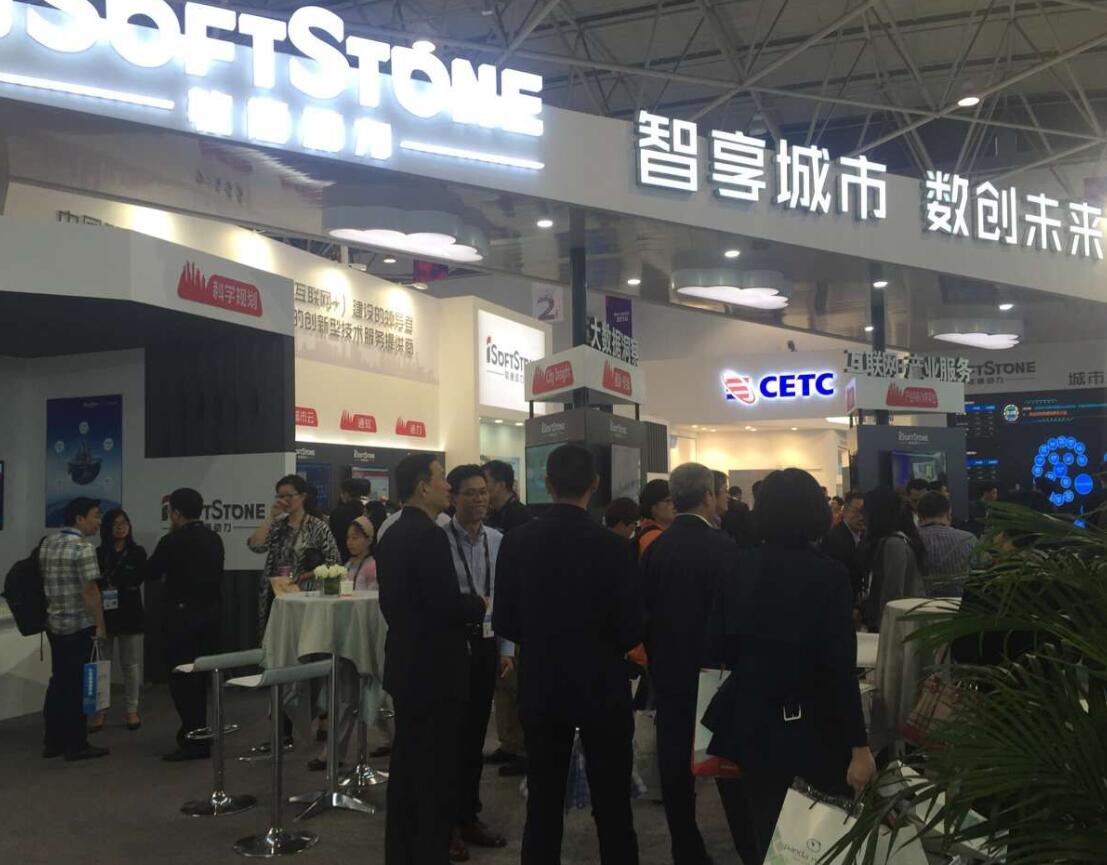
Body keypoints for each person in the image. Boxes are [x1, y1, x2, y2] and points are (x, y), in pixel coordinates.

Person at [705, 469, 876, 865]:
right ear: (815, 511)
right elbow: (838, 667)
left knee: (766, 831)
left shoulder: (737, 566)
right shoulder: (829, 574)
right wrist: (859, 746)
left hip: (751, 721)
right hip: (813, 726)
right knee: (816, 837)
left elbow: (716, 646)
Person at [494, 444, 644, 865]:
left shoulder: (517, 542)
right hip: (603, 686)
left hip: (542, 683)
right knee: (613, 804)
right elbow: (633, 627)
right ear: (594, 485)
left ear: (547, 484)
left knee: (543, 803)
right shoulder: (616, 547)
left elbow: (505, 620)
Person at [375, 454, 487, 865]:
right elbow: (443, 605)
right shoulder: (429, 536)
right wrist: (478, 604)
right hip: (435, 670)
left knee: (409, 768)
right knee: (433, 773)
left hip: (407, 664)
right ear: (423, 486)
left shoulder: (393, 533)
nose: (448, 486)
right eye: (441, 479)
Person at [641, 463, 743, 865]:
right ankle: (747, 847)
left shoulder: (656, 548)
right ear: (706, 497)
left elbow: (643, 615)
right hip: (718, 673)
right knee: (728, 765)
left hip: (669, 672)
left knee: (674, 766)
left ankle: (685, 848)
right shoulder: (725, 548)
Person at [440, 465, 511, 861]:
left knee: (474, 738)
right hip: (451, 646)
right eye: (470, 492)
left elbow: (504, 597)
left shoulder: (498, 541)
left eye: (483, 491)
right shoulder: (439, 540)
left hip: (485, 646)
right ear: (452, 497)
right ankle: (446, 823)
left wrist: (507, 650)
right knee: (449, 738)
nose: (480, 498)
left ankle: (469, 815)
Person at [142, 488, 225, 761]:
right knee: (201, 679)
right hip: (210, 617)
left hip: (180, 619)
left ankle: (194, 738)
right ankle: (200, 733)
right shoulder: (214, 538)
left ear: (175, 513)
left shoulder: (172, 541)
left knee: (182, 680)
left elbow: (151, 572)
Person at [41, 497, 108, 762]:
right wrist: (100, 625)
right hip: (79, 626)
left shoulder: (48, 543)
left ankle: (53, 741)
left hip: (54, 624)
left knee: (59, 682)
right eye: (95, 515)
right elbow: (90, 590)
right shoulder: (83, 547)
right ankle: (76, 744)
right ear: (79, 519)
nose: (99, 521)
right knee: (78, 685)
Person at [481, 459, 533, 778]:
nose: (482, 492)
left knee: (517, 683)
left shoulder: (519, 517)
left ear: (501, 484)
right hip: (495, 609)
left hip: (517, 609)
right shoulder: (492, 516)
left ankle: (525, 747)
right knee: (501, 682)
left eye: (485, 483)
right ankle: (509, 742)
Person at [248, 474, 340, 643]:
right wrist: (271, 516)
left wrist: (307, 575)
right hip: (275, 594)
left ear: (302, 496)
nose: (284, 501)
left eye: (289, 496)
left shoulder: (317, 526)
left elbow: (334, 561)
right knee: (275, 642)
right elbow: (256, 546)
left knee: (301, 641)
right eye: (280, 496)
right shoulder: (277, 525)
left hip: (305, 595)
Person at [93, 508, 147, 732]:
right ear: (107, 527)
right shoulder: (98, 553)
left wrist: (118, 582)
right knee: (102, 665)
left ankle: (132, 709)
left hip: (129, 613)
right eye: (115, 523)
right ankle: (100, 711)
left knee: (130, 665)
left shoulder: (137, 552)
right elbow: (94, 583)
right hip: (104, 614)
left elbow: (138, 577)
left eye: (124, 522)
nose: (121, 527)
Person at [860, 486, 926, 631]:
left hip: (894, 626)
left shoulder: (893, 544)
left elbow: (893, 593)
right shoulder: (895, 541)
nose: (862, 516)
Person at [917, 491, 977, 596]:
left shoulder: (909, 540)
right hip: (959, 604)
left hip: (918, 604)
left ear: (919, 516)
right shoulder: (968, 539)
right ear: (949, 514)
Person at [821, 491, 866, 610]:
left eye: (864, 512)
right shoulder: (833, 538)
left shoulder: (865, 536)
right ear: (844, 511)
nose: (861, 517)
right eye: (856, 511)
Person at [330, 477, 372, 561]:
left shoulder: (337, 513)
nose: (341, 496)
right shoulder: (367, 511)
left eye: (342, 493)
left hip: (342, 558)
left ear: (346, 493)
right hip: (364, 558)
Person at [635, 478, 675, 559]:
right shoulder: (654, 537)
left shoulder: (649, 532)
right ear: (652, 506)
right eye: (668, 501)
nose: (674, 505)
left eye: (675, 500)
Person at [345, 516, 378, 590]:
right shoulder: (349, 564)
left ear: (369, 540)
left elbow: (373, 595)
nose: (349, 542)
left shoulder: (372, 567)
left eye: (355, 538)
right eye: (348, 537)